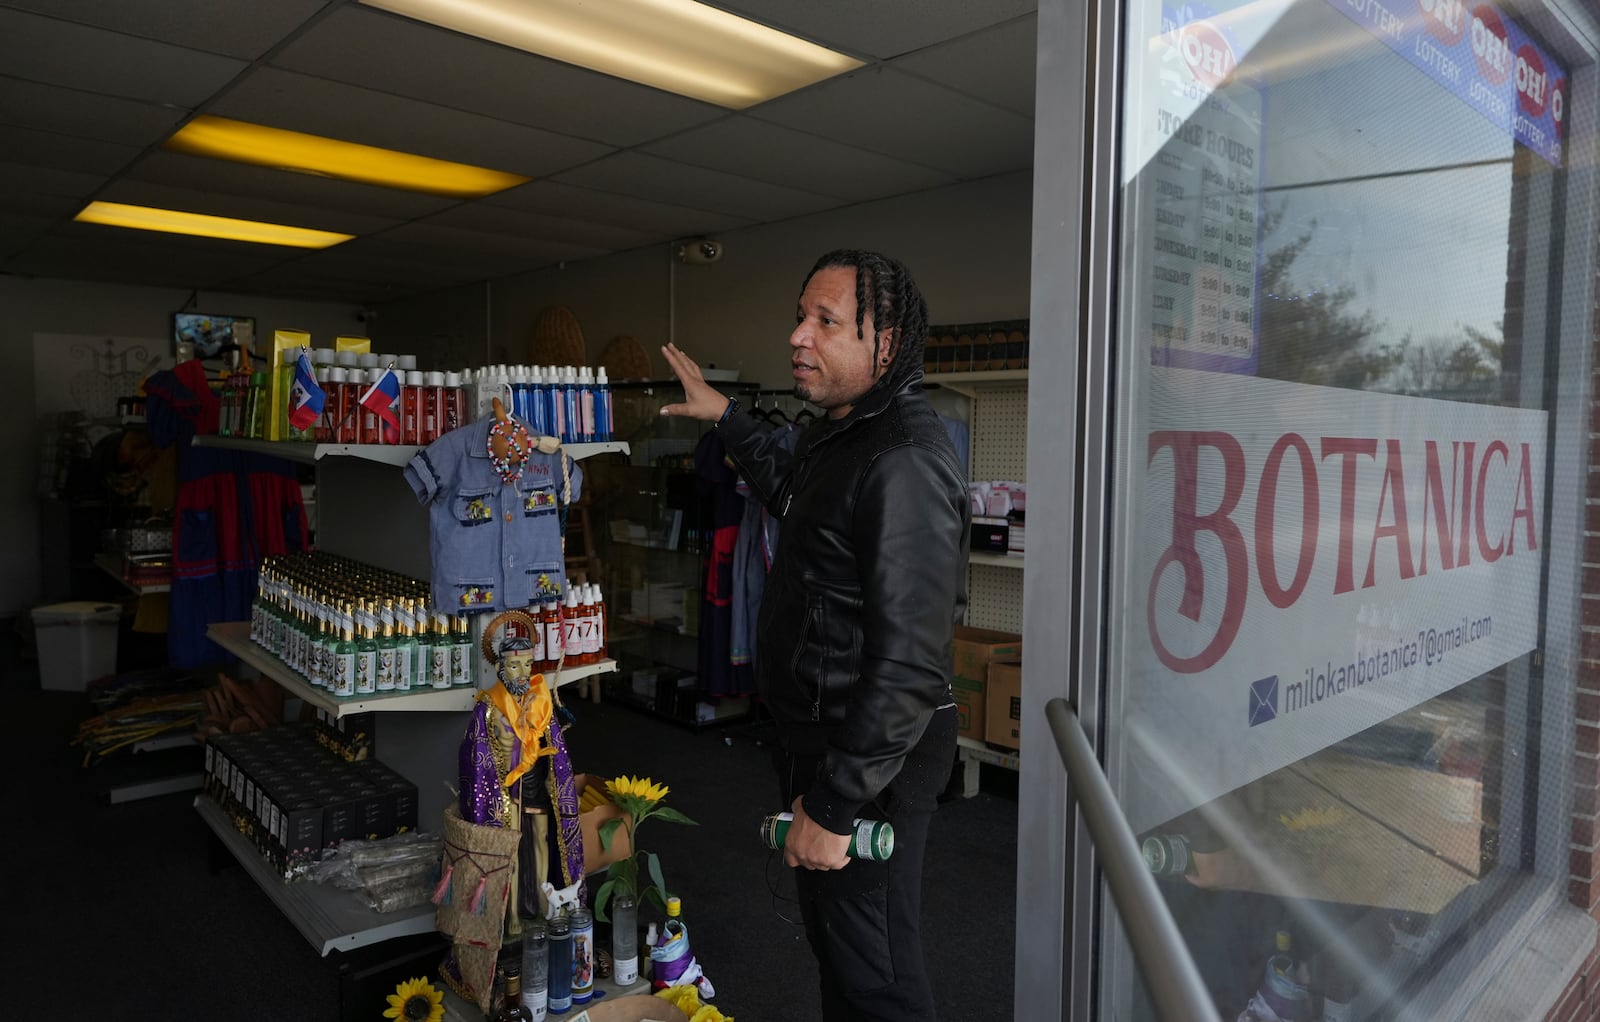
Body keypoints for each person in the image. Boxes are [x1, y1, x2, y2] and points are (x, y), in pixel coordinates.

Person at [661, 249, 969, 1020]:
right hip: (829, 739)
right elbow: (793, 485)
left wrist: (835, 805)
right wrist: (727, 416)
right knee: (841, 956)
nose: (799, 335)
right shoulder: (847, 433)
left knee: (878, 976)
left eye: (826, 322)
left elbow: (909, 665)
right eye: (802, 315)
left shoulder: (902, 461)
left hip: (871, 757)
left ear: (886, 346)